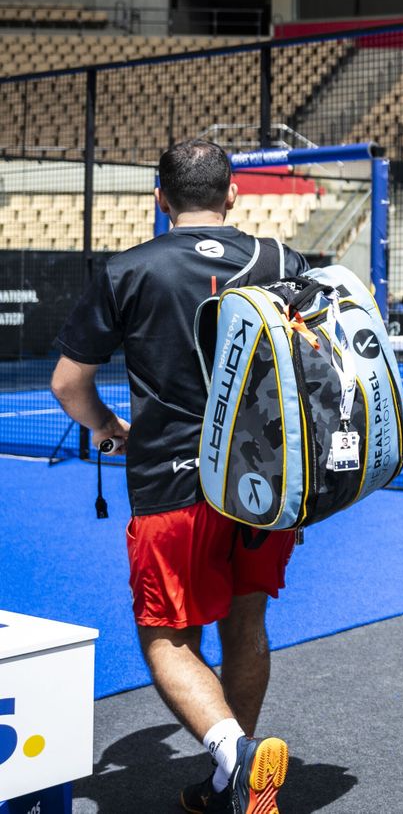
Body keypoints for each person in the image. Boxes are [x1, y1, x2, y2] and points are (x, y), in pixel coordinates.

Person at [50, 140, 306, 814]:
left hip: (172, 481)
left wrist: (106, 428)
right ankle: (232, 781)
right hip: (265, 485)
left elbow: (69, 384)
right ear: (232, 195)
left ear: (160, 199)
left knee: (166, 635)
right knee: (247, 620)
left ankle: (239, 756)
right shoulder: (282, 262)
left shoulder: (130, 269)